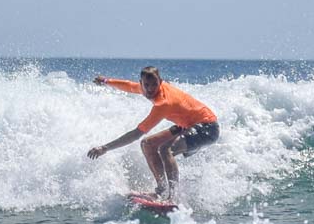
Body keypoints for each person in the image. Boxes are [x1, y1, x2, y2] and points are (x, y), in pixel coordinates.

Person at [87, 66, 219, 201]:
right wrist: (106, 81)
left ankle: (172, 197)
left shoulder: (163, 103)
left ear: (160, 82)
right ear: (141, 83)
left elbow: (137, 133)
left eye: (155, 84)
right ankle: (161, 190)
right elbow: (129, 86)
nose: (150, 89)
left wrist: (105, 148)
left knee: (164, 149)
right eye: (147, 85)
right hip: (186, 126)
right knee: (147, 144)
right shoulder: (145, 89)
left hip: (207, 128)